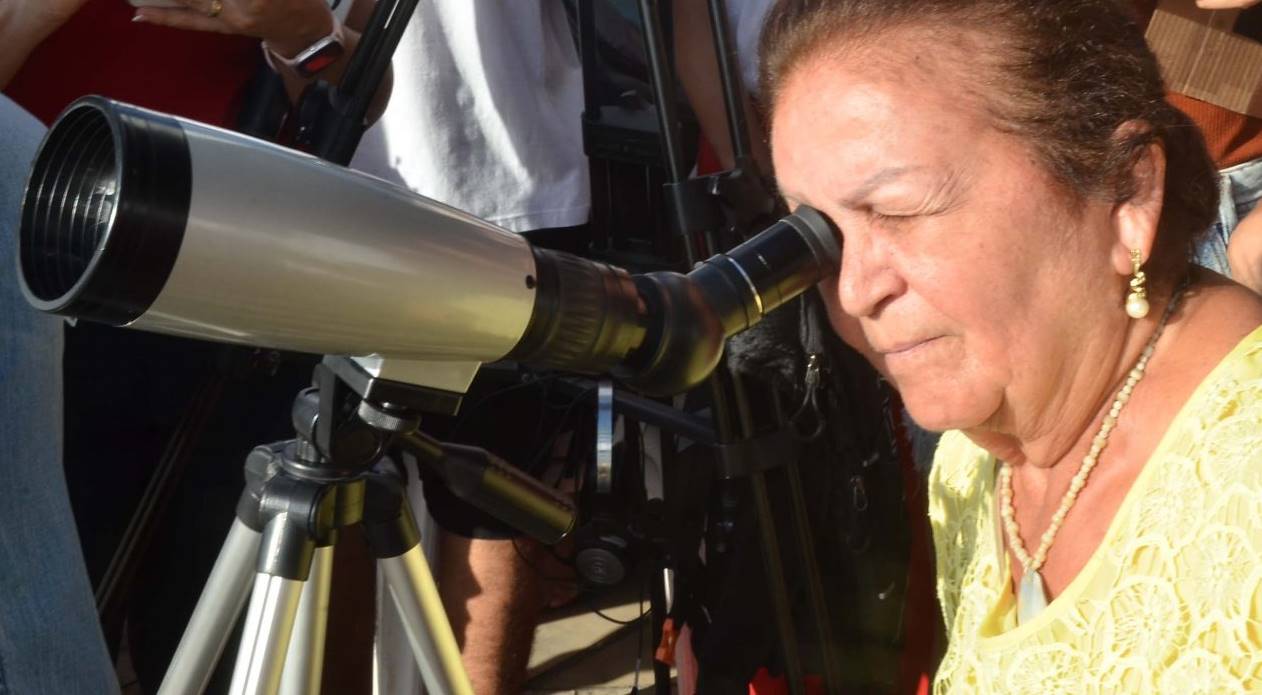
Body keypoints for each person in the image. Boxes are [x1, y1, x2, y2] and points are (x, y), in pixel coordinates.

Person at [761, 0, 1262, 690]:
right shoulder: (971, 462)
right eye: (820, 237)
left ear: (1128, 192)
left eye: (900, 210)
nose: (853, 291)